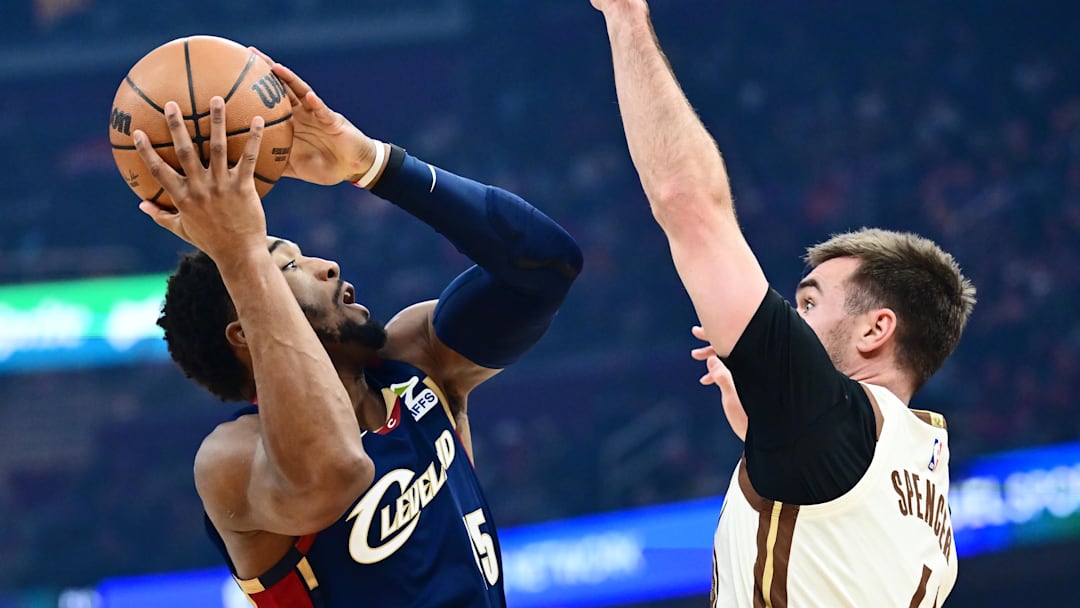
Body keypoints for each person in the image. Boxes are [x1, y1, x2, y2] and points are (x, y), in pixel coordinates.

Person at [131, 53, 582, 607]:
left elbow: (545, 266)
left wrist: (375, 165)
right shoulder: (232, 458)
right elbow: (336, 472)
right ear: (244, 327)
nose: (328, 266)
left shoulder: (415, 363)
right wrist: (241, 252)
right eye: (290, 267)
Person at [590, 1, 976, 606]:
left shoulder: (831, 421)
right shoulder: (923, 453)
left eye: (810, 303)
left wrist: (624, 16)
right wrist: (758, 420)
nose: (793, 320)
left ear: (877, 329)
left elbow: (688, 203)